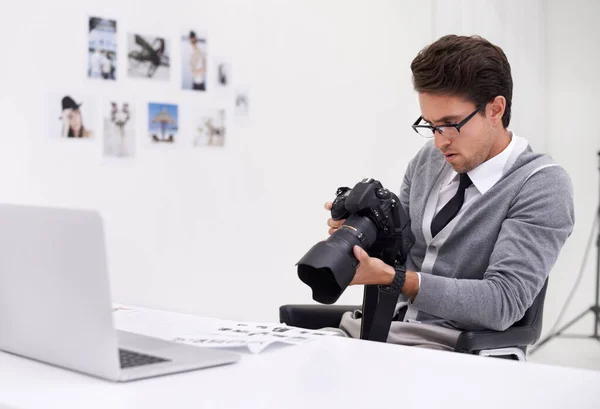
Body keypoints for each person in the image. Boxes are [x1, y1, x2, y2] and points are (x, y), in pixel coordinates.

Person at [324, 34, 575, 351]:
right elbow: (399, 254)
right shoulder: (429, 161)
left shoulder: (542, 185)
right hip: (378, 332)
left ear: (496, 109)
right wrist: (360, 238)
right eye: (430, 124)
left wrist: (398, 280)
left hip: (450, 351)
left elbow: (504, 302)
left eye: (451, 123)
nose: (440, 141)